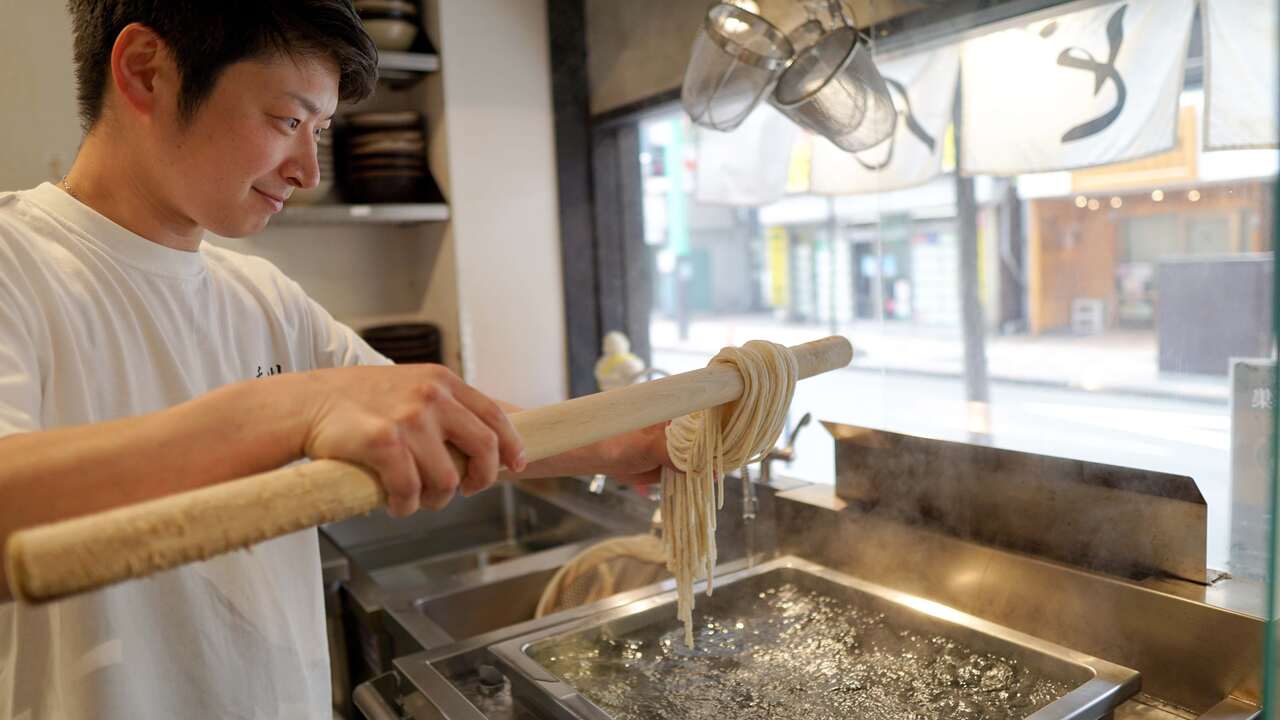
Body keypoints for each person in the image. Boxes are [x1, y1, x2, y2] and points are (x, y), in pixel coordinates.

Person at [0, 2, 668, 718]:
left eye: (320, 132)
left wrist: (620, 443)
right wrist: (291, 409)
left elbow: (443, 419)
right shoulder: (19, 263)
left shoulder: (261, 294)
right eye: (288, 121)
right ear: (146, 71)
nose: (309, 169)